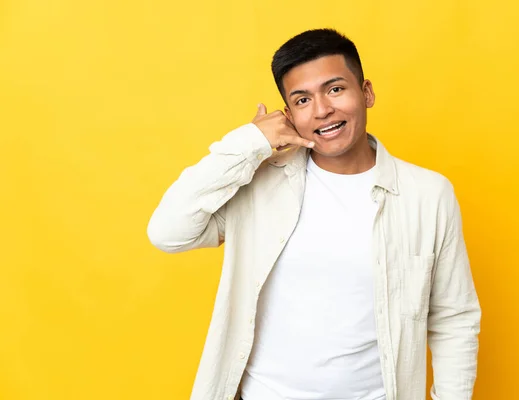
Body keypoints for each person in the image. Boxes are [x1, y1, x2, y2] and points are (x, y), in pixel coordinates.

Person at [147, 28, 481, 400]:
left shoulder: (428, 194)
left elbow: (455, 318)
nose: (322, 110)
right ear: (288, 115)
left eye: (335, 89)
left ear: (366, 92)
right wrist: (250, 142)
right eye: (303, 100)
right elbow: (168, 232)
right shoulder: (260, 185)